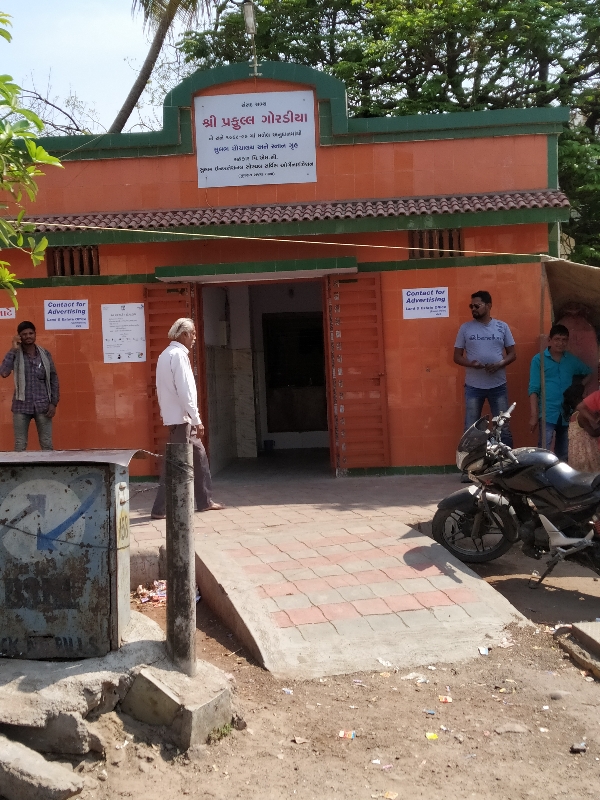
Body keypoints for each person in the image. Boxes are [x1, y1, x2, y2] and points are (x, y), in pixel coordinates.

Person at [151, 317, 223, 520]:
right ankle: (160, 509)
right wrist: (197, 419)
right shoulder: (179, 356)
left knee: (199, 457)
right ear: (184, 334)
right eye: (192, 334)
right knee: (175, 464)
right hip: (182, 419)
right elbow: (185, 392)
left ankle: (205, 500)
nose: (194, 338)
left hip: (177, 417)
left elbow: (162, 389)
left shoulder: (166, 354)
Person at [454, 291, 516, 477]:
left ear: (489, 306)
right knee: (471, 430)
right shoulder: (465, 328)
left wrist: (499, 364)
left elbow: (513, 354)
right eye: (471, 306)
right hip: (474, 387)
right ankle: (469, 471)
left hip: (498, 385)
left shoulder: (502, 327)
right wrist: (471, 364)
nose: (473, 309)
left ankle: (507, 469)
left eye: (477, 305)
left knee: (503, 427)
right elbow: (456, 356)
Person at [529, 324, 592, 461]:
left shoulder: (571, 360)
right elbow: (533, 389)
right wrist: (534, 415)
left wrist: (579, 386)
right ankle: (543, 475)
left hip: (566, 412)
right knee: (543, 452)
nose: (560, 343)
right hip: (547, 412)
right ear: (549, 340)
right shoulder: (538, 360)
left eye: (564, 340)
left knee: (563, 453)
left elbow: (588, 372)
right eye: (557, 339)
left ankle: (559, 475)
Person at [0, 320, 59, 451]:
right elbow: (3, 372)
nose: (28, 336)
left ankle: (48, 466)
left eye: (30, 333)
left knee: (47, 444)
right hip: (21, 406)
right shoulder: (15, 353)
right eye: (24, 334)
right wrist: (13, 349)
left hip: (43, 405)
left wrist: (53, 403)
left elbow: (53, 378)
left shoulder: (44, 354)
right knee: (20, 445)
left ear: (35, 334)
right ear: (19, 336)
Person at [568, 387, 600, 472]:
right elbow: (592, 433)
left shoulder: (574, 415)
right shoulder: (581, 415)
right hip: (585, 453)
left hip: (576, 453)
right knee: (588, 473)